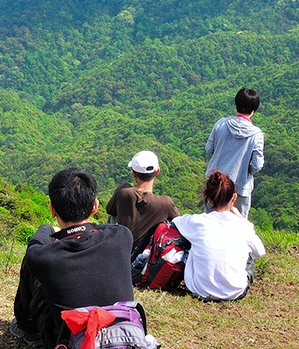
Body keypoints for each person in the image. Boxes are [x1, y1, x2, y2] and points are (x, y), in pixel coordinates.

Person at [11, 167, 135, 349]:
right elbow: (99, 228)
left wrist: (48, 229)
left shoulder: (42, 256)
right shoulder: (122, 236)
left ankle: (26, 328)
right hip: (124, 341)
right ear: (95, 206)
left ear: (53, 210)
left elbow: (36, 244)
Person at [173, 171, 266, 301]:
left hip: (198, 289)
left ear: (209, 199)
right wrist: (241, 218)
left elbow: (175, 221)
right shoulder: (243, 226)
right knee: (249, 253)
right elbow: (260, 252)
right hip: (235, 291)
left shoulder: (197, 222)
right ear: (234, 198)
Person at [105, 150, 180, 257]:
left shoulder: (123, 192)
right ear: (157, 171)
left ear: (133, 173)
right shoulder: (165, 203)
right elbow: (180, 225)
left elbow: (110, 210)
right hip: (147, 259)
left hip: (123, 252)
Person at [204, 87, 264, 218]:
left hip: (215, 182)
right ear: (253, 110)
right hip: (240, 186)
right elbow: (256, 166)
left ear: (236, 104)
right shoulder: (256, 135)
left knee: (209, 221)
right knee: (238, 227)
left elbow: (208, 149)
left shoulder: (221, 124)